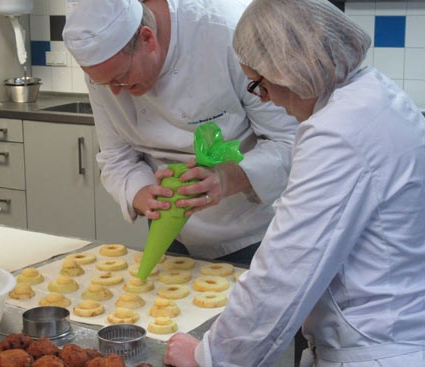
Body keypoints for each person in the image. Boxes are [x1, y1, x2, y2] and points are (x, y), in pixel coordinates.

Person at [164, 0, 425, 365]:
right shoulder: (374, 94)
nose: (265, 100)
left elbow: (286, 269)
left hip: (374, 349)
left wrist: (209, 355)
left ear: (291, 68)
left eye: (259, 84)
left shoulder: (338, 132)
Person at [62, 0, 298, 265]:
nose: (116, 91)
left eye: (121, 78)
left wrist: (228, 178)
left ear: (147, 38)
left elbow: (290, 142)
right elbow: (116, 155)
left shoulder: (229, 35)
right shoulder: (105, 70)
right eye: (105, 84)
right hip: (167, 230)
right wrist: (141, 194)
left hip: (248, 233)